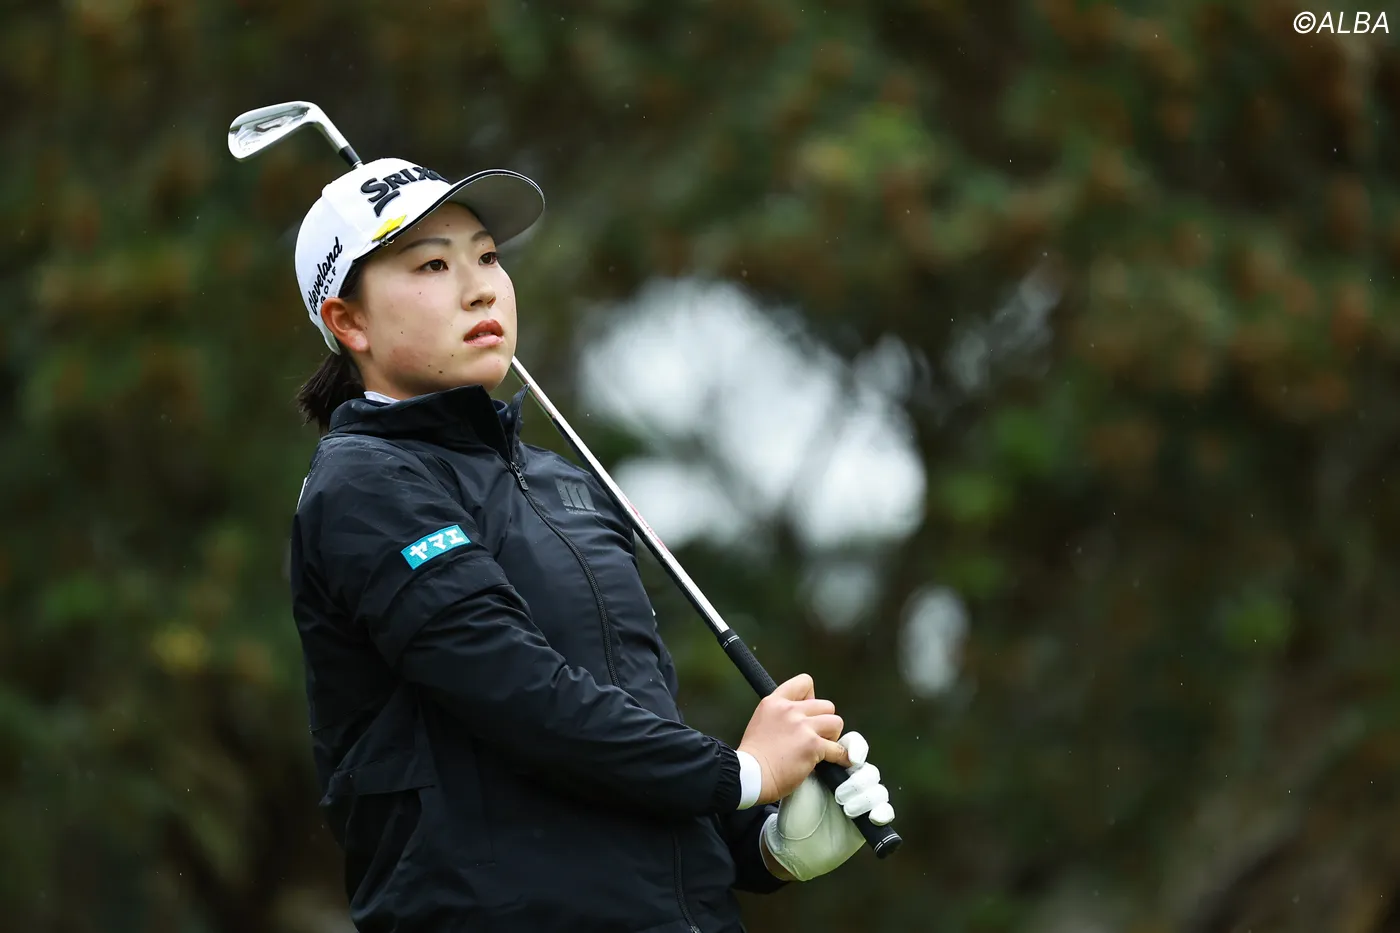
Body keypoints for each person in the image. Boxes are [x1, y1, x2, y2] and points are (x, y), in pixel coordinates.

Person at [286, 156, 896, 933]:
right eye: (433, 265)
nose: (480, 288)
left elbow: (629, 723)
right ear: (349, 322)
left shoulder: (564, 484)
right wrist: (740, 772)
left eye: (487, 257)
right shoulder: (363, 484)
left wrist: (767, 843)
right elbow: (519, 693)